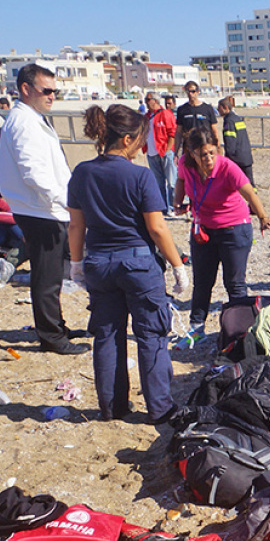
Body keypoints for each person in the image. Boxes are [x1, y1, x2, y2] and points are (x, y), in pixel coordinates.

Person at [67, 104, 189, 423]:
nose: (141, 147)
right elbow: (157, 228)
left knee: (107, 336)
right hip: (138, 265)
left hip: (99, 264)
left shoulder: (82, 172)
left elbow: (75, 226)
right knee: (151, 336)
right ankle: (159, 408)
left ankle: (111, 407)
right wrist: (178, 267)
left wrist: (76, 264)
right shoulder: (139, 175)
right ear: (126, 139)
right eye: (139, 140)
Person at [0, 64, 89, 354]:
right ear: (26, 89)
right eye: (46, 90)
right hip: (41, 210)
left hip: (47, 208)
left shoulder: (33, 118)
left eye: (54, 91)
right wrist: (66, 201)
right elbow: (32, 172)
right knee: (47, 276)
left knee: (53, 273)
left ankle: (56, 326)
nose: (52, 96)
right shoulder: (23, 122)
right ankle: (51, 336)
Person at [174, 127, 270, 343]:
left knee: (234, 283)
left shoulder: (227, 167)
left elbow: (249, 192)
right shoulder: (185, 164)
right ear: (192, 153)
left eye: (212, 152)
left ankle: (240, 332)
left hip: (234, 229)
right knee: (202, 281)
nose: (209, 159)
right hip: (203, 229)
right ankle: (196, 328)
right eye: (203, 154)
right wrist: (178, 200)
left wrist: (263, 216)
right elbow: (181, 181)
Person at [142, 94, 177, 215]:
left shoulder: (165, 114)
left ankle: (172, 207)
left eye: (148, 100)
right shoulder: (146, 117)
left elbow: (172, 133)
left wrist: (168, 150)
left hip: (165, 152)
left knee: (171, 181)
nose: (146, 102)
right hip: (152, 153)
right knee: (158, 183)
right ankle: (162, 207)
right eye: (145, 100)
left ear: (155, 100)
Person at [174, 81, 218, 156]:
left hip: (205, 145)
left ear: (197, 92)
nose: (190, 94)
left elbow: (214, 130)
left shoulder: (208, 108)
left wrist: (217, 148)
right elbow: (178, 132)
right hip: (189, 147)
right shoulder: (182, 110)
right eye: (188, 91)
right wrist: (176, 152)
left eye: (193, 91)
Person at [218, 98, 254, 186]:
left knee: (231, 182)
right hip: (246, 156)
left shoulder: (229, 121)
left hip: (237, 158)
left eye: (219, 109)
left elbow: (230, 142)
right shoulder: (237, 118)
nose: (218, 111)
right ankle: (254, 197)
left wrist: (228, 159)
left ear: (225, 107)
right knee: (250, 184)